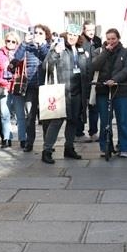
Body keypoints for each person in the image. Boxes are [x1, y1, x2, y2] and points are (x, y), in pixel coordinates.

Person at [39, 24, 89, 164]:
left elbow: (86, 70)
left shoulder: (81, 50)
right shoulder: (59, 47)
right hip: (61, 92)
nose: (72, 37)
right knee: (57, 121)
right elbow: (46, 66)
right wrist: (55, 52)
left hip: (77, 92)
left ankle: (69, 148)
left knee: (73, 121)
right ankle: (47, 150)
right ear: (66, 34)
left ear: (78, 36)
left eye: (75, 35)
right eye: (70, 34)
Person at [91, 28, 127, 157]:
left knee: (123, 120)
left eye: (113, 39)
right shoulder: (99, 51)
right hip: (103, 90)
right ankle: (105, 146)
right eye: (108, 39)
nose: (111, 41)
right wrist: (105, 52)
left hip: (120, 90)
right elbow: (94, 66)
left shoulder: (125, 52)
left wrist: (115, 79)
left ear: (118, 39)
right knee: (105, 120)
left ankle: (124, 147)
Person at [11, 25, 51, 152]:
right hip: (30, 86)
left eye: (40, 33)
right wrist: (24, 43)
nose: (37, 35)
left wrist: (41, 46)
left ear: (45, 35)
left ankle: (47, 144)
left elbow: (48, 58)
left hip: (45, 86)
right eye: (36, 33)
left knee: (46, 117)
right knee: (30, 116)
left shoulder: (49, 47)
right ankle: (29, 142)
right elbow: (16, 58)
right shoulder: (27, 47)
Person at [0, 30, 18, 148]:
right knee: (4, 114)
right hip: (3, 87)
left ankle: (23, 138)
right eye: (8, 41)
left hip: (16, 87)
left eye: (13, 41)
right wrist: (1, 82)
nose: (10, 43)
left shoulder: (20, 54)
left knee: (19, 115)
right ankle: (6, 138)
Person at [80, 20, 102, 142]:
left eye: (93, 30)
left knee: (94, 107)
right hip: (82, 79)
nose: (91, 32)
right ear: (84, 30)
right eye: (88, 30)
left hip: (95, 79)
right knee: (81, 108)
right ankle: (79, 132)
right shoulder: (80, 41)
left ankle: (93, 132)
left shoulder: (98, 41)